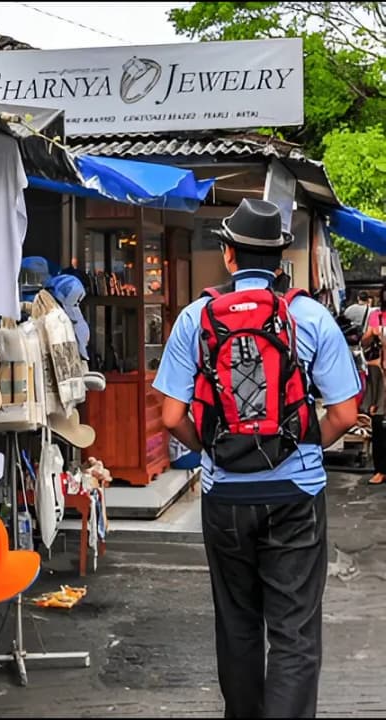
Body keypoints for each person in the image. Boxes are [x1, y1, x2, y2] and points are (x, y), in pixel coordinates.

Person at [154, 198, 360, 718]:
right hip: (296, 496)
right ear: (281, 257)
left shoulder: (195, 318)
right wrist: (303, 449)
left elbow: (172, 416)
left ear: (227, 255)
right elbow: (345, 411)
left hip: (225, 496)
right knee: (293, 634)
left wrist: (215, 451)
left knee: (238, 625)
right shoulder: (309, 316)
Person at [362, 287, 386, 484]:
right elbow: (364, 341)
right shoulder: (376, 316)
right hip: (379, 372)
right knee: (378, 420)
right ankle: (381, 469)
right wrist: (373, 334)